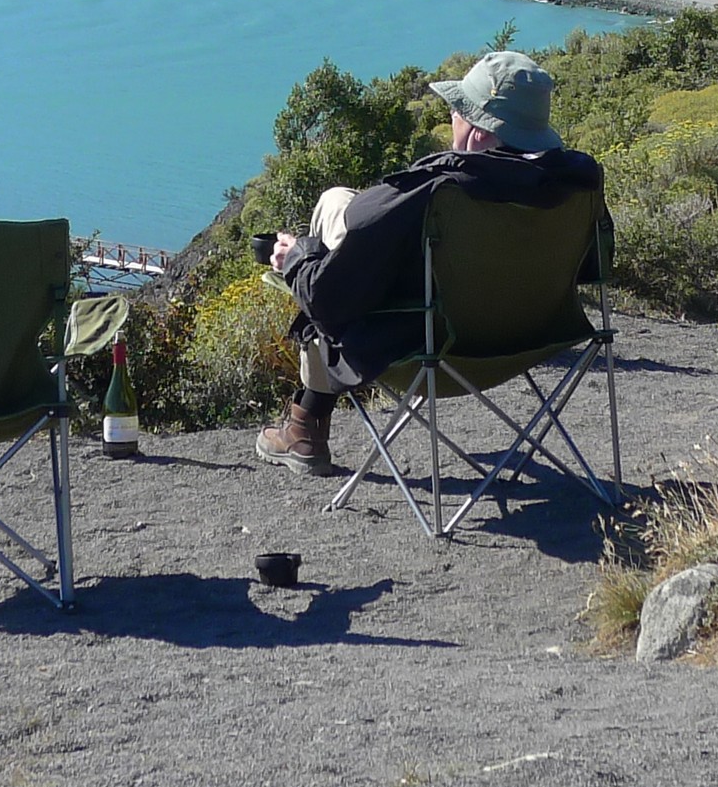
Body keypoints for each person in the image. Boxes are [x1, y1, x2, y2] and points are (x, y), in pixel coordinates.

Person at [254, 49, 610, 475]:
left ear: (479, 132)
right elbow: (595, 266)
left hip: (436, 350)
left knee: (334, 205)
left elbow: (328, 299)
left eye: (459, 109)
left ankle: (306, 424)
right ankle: (305, 422)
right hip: (532, 340)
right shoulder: (576, 186)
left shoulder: (438, 192)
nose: (452, 118)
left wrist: (295, 259)